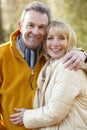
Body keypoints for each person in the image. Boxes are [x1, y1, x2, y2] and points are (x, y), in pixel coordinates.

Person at [0, 1, 86, 130]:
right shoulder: (2, 55)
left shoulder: (54, 55)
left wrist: (84, 55)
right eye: (31, 25)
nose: (35, 31)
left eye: (41, 27)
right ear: (20, 25)